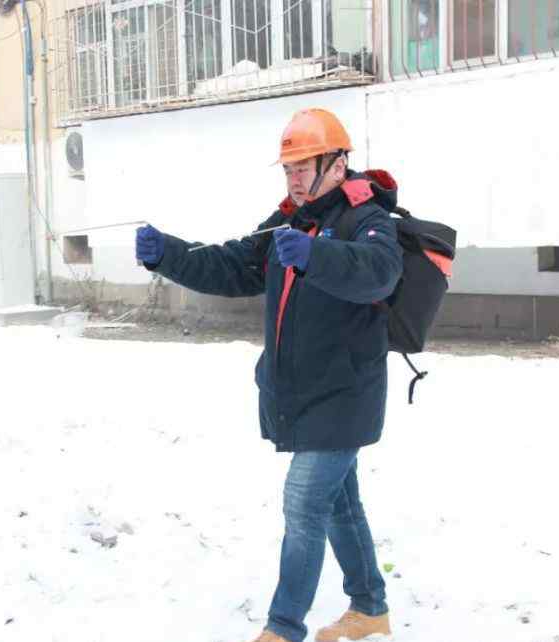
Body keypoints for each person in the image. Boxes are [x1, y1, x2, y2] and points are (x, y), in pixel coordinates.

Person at [134, 108, 403, 642]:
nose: (295, 178)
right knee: (339, 504)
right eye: (288, 169)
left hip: (345, 394)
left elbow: (379, 274)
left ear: (337, 163)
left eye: (305, 166)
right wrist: (168, 254)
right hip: (301, 393)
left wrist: (316, 255)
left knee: (304, 502)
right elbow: (231, 265)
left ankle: (283, 628)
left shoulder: (367, 216)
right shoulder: (290, 221)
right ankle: (370, 608)